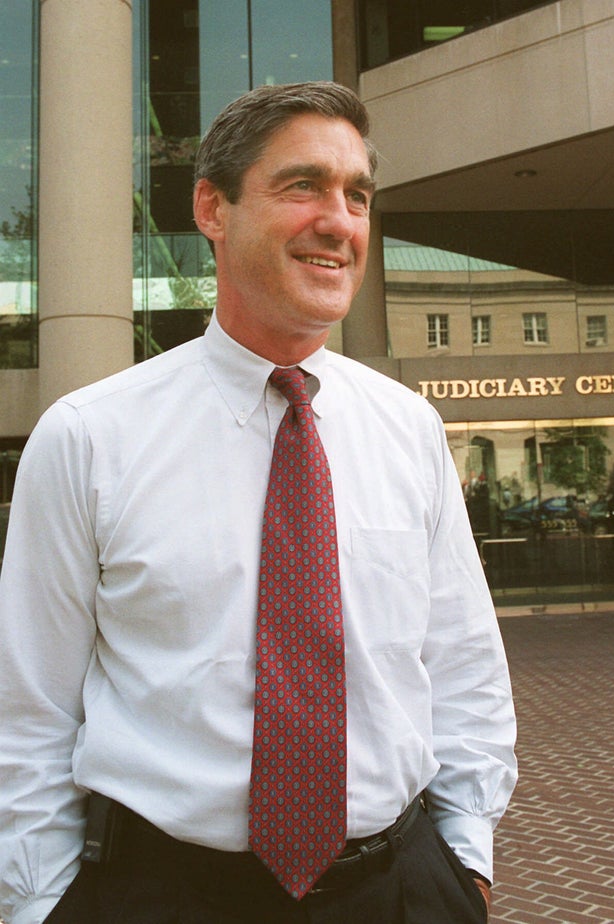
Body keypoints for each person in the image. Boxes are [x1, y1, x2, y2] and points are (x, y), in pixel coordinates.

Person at [0, 81, 517, 924]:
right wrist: (38, 907)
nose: (339, 221)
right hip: (166, 894)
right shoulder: (89, 438)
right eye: (303, 185)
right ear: (213, 208)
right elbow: (27, 710)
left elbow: (460, 662)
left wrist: (466, 864)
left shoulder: (408, 427)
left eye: (357, 196)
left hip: (403, 889)